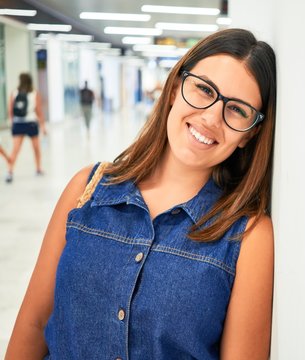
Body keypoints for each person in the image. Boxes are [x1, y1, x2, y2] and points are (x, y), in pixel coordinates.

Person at [6, 28, 276, 359]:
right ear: (176, 87)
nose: (211, 118)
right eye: (205, 89)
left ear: (249, 134)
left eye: (237, 109)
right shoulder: (86, 190)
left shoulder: (248, 237)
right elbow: (33, 325)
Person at [6, 72, 46, 183]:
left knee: (15, 150)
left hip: (18, 123)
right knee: (36, 148)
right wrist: (43, 126)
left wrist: (13, 123)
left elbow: (10, 110)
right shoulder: (34, 93)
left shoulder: (14, 93)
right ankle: (38, 169)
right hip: (31, 123)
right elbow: (38, 111)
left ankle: (9, 171)